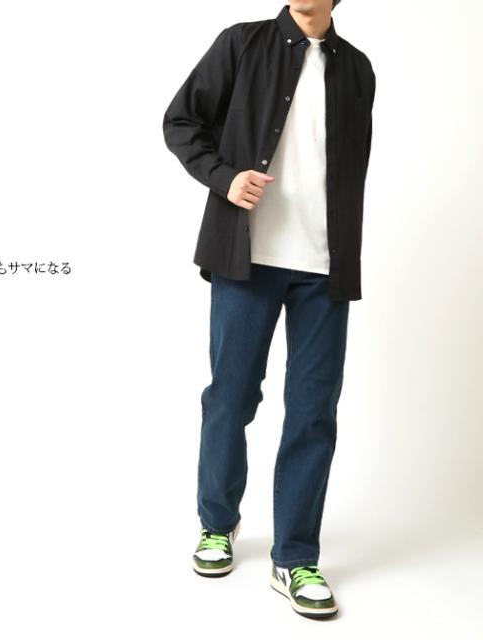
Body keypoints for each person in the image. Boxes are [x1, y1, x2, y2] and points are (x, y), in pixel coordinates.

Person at [162, 0, 376, 620]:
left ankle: (296, 557)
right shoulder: (242, 43)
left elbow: (352, 166)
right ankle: (216, 524)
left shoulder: (356, 68)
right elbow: (180, 121)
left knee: (314, 413)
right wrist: (224, 176)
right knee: (230, 398)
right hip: (246, 257)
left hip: (324, 268)